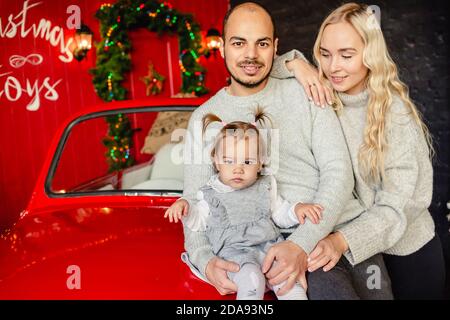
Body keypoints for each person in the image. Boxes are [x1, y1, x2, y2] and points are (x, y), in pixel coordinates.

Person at [175, 2, 392, 299]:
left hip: (347, 229)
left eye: (261, 43)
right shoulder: (204, 118)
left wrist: (301, 243)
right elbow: (195, 200)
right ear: (222, 48)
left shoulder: (307, 89)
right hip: (285, 237)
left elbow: (338, 172)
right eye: (239, 43)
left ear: (275, 47)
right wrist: (204, 259)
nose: (251, 55)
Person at [272, 2, 446, 299]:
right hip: (360, 253)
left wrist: (341, 240)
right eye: (325, 54)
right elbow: (259, 68)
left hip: (405, 252)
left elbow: (397, 206)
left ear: (370, 54)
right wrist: (295, 64)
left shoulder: (394, 113)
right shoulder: (322, 94)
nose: (333, 67)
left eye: (346, 55)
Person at [165, 110, 324, 299]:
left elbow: (280, 212)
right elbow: (200, 221)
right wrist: (186, 208)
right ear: (216, 161)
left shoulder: (265, 185)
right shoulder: (211, 193)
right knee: (251, 281)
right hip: (235, 254)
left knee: (290, 283)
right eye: (229, 161)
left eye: (247, 161)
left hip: (269, 248)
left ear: (260, 163)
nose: (238, 168)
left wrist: (296, 209)